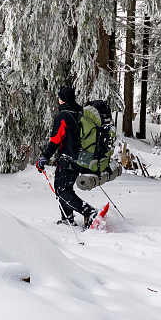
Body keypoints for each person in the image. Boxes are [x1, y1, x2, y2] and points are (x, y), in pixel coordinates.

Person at [36, 85, 98, 229]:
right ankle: (67, 218)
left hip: (67, 158)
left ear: (62, 99)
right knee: (65, 188)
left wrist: (44, 157)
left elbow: (55, 140)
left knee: (62, 191)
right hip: (79, 158)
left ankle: (89, 212)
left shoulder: (63, 116)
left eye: (59, 97)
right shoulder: (80, 113)